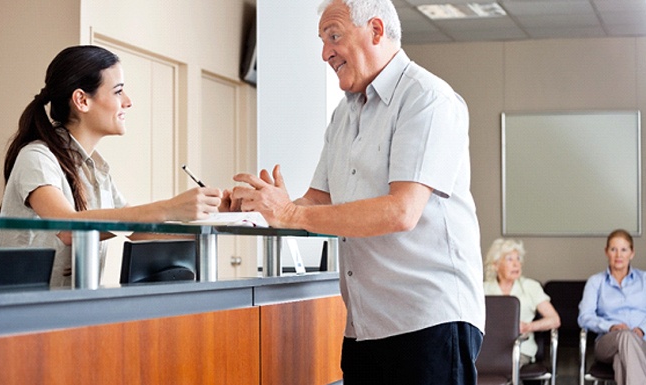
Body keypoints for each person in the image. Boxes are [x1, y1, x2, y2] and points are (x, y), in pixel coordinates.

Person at [230, 0, 485, 383]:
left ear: (376, 32)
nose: (324, 53)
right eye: (321, 40)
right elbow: (317, 201)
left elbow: (402, 211)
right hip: (366, 326)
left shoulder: (427, 99)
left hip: (429, 320)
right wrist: (256, 207)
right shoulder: (344, 114)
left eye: (334, 37)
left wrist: (290, 214)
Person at [0, 45, 228, 287]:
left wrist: (217, 218)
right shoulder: (36, 157)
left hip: (70, 308)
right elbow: (68, 229)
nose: (128, 102)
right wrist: (169, 208)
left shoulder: (97, 170)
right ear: (82, 100)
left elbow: (137, 230)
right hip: (24, 312)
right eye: (118, 92)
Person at [578, 229, 646, 385]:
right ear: (606, 252)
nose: (619, 255)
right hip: (607, 343)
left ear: (632, 253)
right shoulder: (596, 282)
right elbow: (584, 317)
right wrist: (611, 326)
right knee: (625, 336)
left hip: (642, 341)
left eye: (624, 250)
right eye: (613, 249)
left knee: (620, 360)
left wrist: (642, 329)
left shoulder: (645, 280)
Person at [483, 238, 561, 366]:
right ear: (495, 265)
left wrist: (528, 326)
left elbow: (554, 320)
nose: (516, 264)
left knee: (506, 365)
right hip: (487, 349)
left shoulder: (530, 286)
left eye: (518, 259)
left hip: (519, 349)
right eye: (510, 259)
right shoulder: (483, 289)